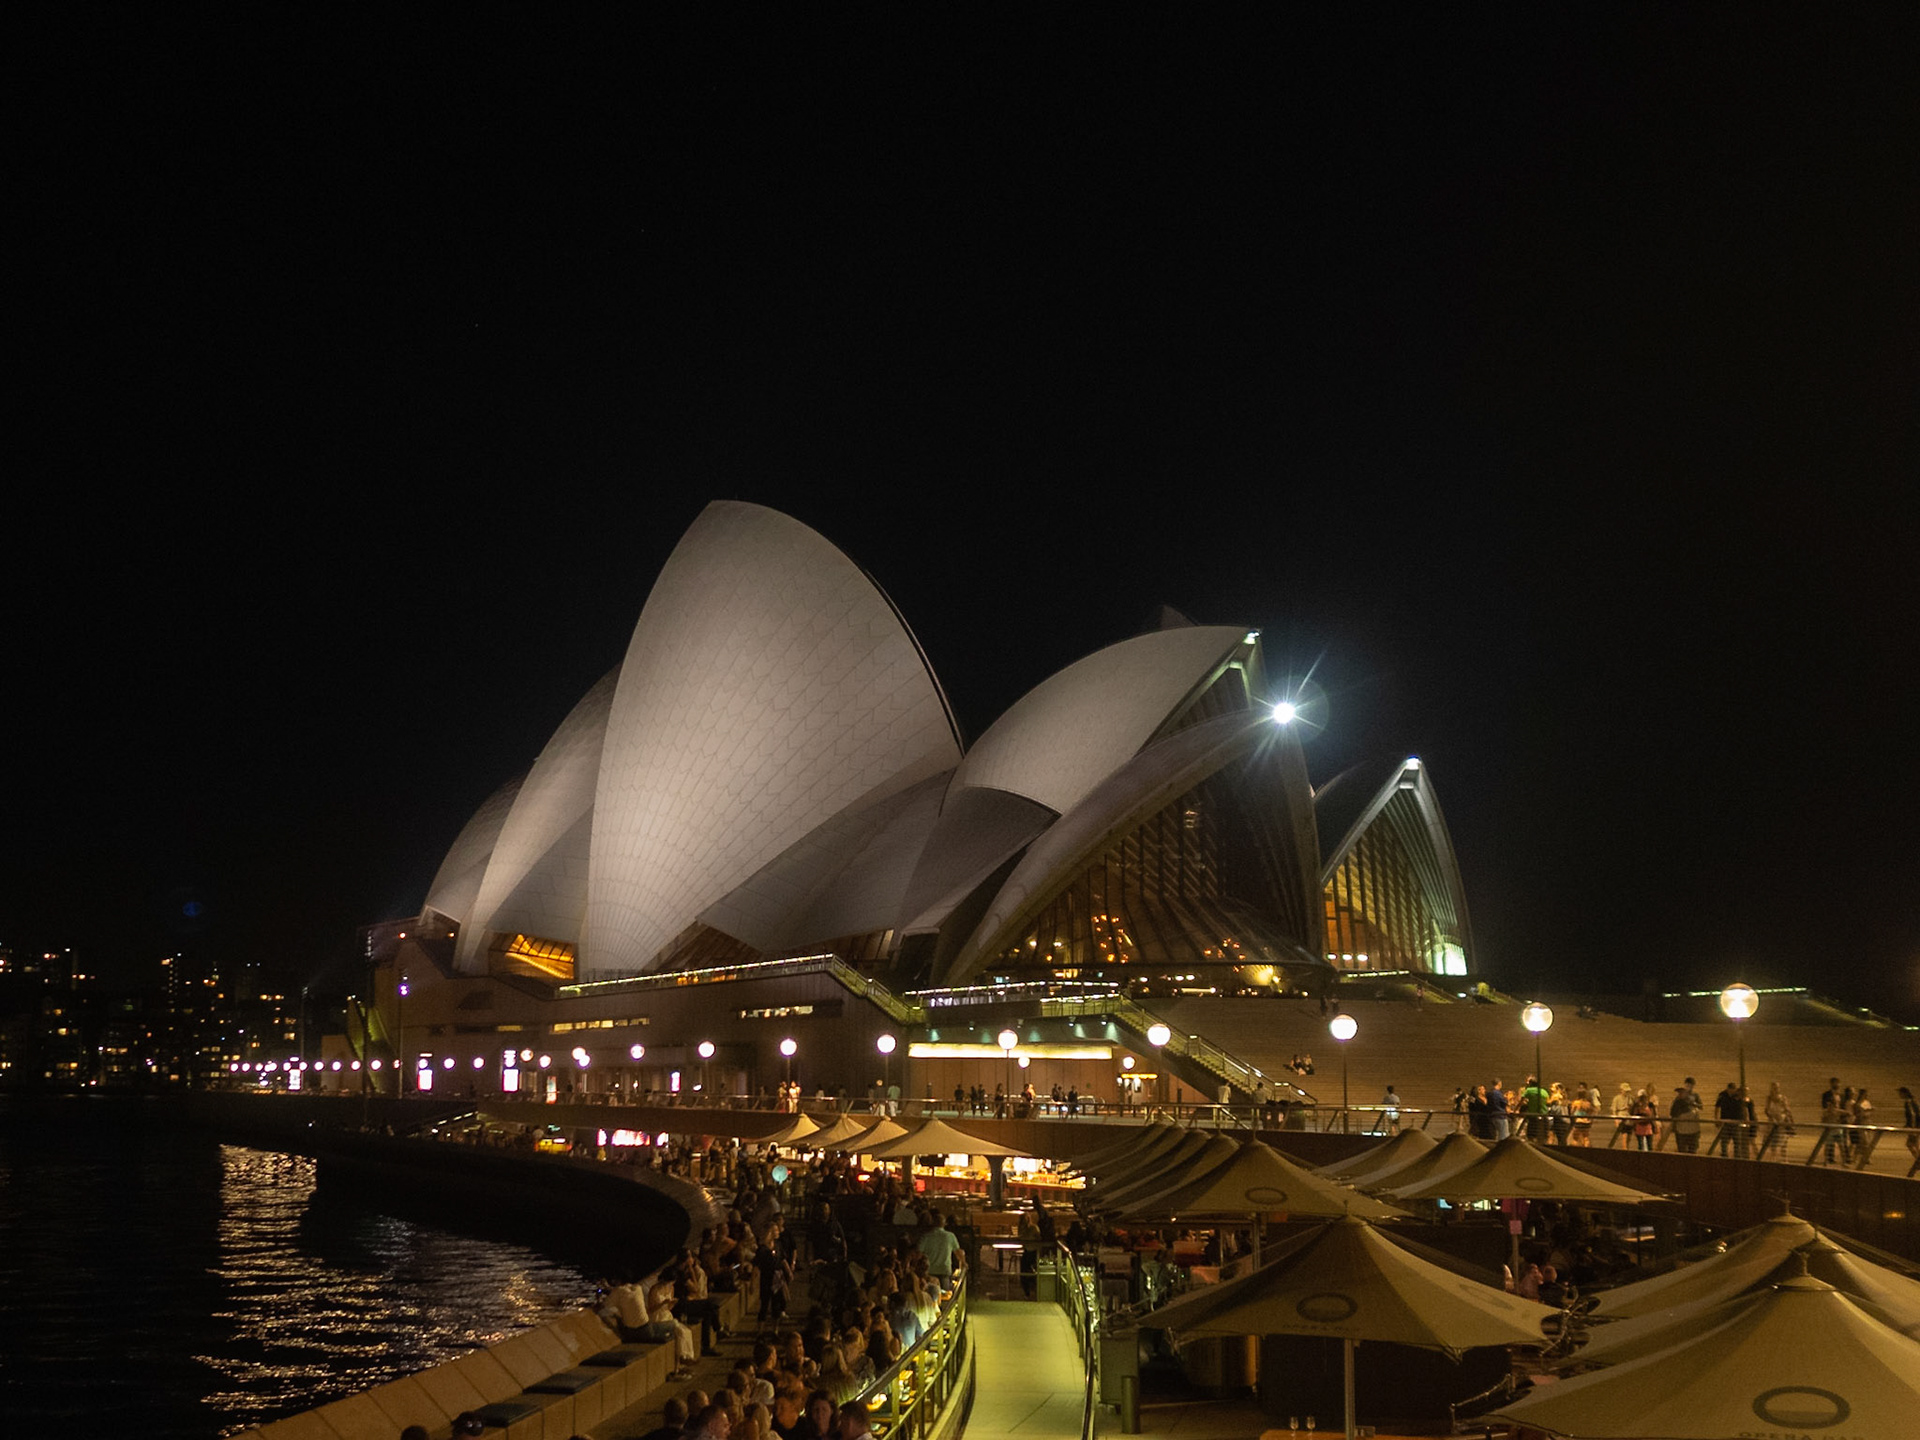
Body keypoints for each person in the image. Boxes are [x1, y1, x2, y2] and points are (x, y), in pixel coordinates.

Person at [916, 1210, 963, 1282]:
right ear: (944, 1224)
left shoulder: (926, 1237)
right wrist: (964, 1263)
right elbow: (958, 1252)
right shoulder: (950, 1236)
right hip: (944, 1270)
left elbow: (918, 1253)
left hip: (930, 1270)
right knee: (945, 1292)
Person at [1900, 1086, 1920, 1177]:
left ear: (1904, 1093)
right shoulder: (1914, 1100)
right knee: (1915, 1145)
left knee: (1910, 1144)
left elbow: (1912, 1114)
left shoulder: (1908, 1102)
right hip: (1917, 1125)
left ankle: (1918, 1161)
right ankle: (1917, 1161)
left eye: (1900, 1093)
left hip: (1914, 1126)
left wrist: (1911, 1127)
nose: (1900, 1095)